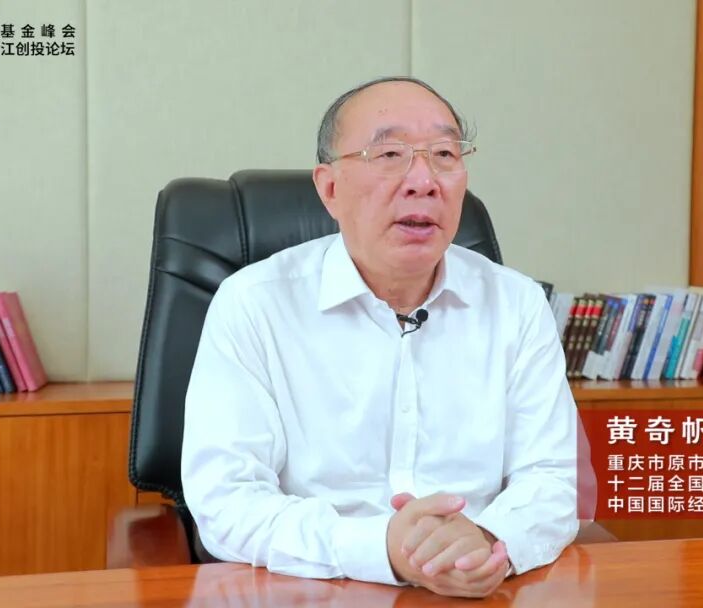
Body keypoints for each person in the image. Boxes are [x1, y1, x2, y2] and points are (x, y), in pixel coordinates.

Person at [181, 76, 579, 599]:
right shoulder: (255, 304)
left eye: (444, 154)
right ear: (329, 188)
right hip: (311, 590)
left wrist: (487, 541)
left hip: (476, 590)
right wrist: (381, 548)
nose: (424, 181)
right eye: (390, 154)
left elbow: (553, 479)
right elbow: (227, 502)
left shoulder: (518, 304)